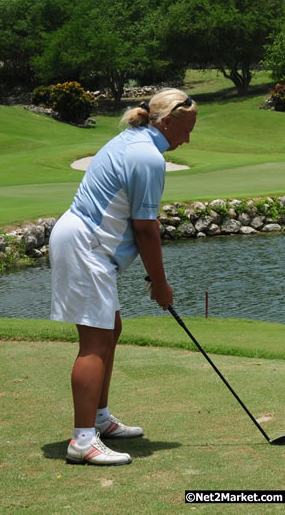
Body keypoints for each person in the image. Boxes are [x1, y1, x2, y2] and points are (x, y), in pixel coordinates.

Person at [49, 88, 197, 465]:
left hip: (84, 241)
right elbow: (146, 228)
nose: (188, 138)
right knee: (95, 343)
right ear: (166, 123)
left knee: (109, 330)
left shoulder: (131, 136)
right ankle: (82, 441)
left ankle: (99, 419)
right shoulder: (149, 157)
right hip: (86, 245)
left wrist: (155, 277)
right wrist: (160, 283)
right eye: (186, 130)